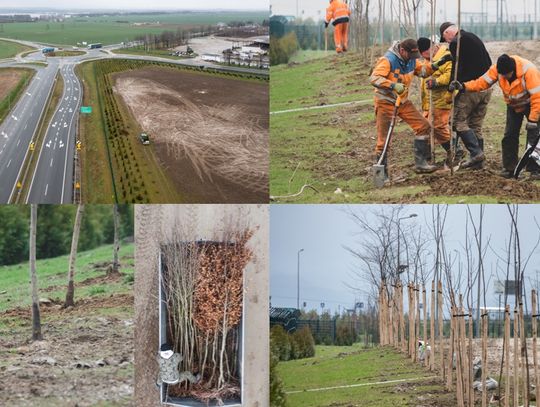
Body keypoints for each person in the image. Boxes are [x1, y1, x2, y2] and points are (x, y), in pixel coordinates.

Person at [450, 54, 540, 179]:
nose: (503, 77)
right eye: (501, 75)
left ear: (513, 70)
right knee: (509, 136)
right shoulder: (497, 69)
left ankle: (535, 170)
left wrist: (533, 119)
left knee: (534, 138)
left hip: (533, 104)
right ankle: (509, 168)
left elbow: (537, 97)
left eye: (506, 74)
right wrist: (464, 86)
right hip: (513, 105)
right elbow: (482, 83)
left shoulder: (529, 71)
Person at [370, 38, 452, 174]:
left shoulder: (412, 60)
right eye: (411, 55)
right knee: (384, 140)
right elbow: (374, 78)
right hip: (385, 102)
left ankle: (421, 164)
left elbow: (423, 72)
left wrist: (438, 64)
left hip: (402, 102)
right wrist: (392, 85)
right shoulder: (388, 60)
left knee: (423, 126)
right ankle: (381, 171)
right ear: (402, 50)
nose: (413, 59)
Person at [440, 22, 492, 169]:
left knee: (457, 121)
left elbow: (457, 67)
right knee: (475, 125)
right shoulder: (473, 37)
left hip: (470, 88)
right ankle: (479, 163)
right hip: (486, 88)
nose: (447, 42)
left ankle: (476, 153)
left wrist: (451, 86)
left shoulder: (456, 42)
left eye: (445, 39)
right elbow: (477, 59)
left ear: (447, 33)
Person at [417, 37, 459, 166]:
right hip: (429, 101)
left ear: (432, 47)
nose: (424, 57)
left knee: (438, 127)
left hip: (442, 99)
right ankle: (427, 158)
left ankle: (456, 151)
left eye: (425, 54)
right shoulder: (427, 59)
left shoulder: (446, 56)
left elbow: (451, 75)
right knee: (425, 127)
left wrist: (436, 82)